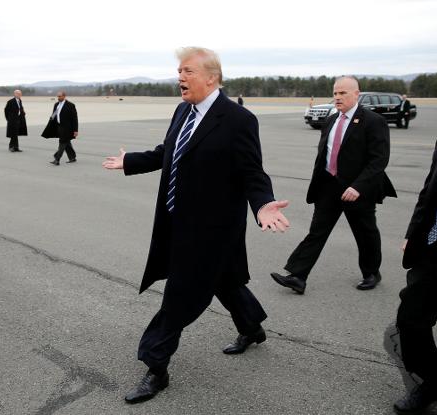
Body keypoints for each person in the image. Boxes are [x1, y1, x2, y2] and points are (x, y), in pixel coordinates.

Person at [103, 47, 289, 404]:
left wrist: (264, 204)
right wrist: (130, 161)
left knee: (179, 298)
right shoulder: (182, 111)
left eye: (187, 71)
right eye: (179, 71)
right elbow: (167, 152)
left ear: (211, 77)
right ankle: (251, 327)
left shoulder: (238, 120)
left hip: (213, 231)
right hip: (178, 222)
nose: (180, 77)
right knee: (225, 282)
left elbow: (252, 171)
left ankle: (155, 366)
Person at [270, 76, 396, 294]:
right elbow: (325, 155)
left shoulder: (373, 121)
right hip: (329, 186)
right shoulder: (330, 121)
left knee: (365, 233)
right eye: (335, 93)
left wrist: (358, 186)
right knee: (317, 232)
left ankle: (371, 273)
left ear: (356, 94)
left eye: (343, 93)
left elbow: (379, 160)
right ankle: (298, 276)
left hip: (357, 190)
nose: (337, 97)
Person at [393, 127, 437, 414]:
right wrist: (413, 232)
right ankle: (432, 384)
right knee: (411, 320)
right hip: (435, 242)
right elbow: (430, 189)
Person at [41, 91, 78, 165]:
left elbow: (75, 118)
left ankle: (57, 159)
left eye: (60, 96)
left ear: (64, 96)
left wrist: (75, 130)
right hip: (59, 127)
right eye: (57, 96)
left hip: (67, 128)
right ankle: (72, 157)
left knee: (62, 142)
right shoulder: (56, 104)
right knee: (67, 142)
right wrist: (50, 122)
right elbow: (54, 114)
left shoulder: (71, 105)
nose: (58, 98)